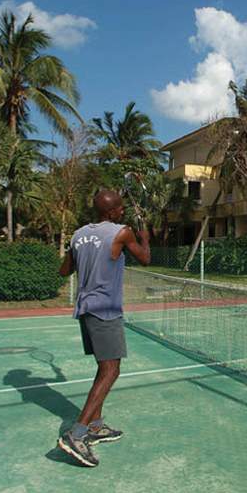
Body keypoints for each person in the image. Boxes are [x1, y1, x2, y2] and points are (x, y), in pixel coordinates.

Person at [56, 190, 150, 467]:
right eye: (119, 208)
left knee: (103, 367)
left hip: (85, 309)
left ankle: (96, 426)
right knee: (111, 370)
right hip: (105, 311)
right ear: (111, 212)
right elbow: (144, 258)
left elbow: (64, 271)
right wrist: (144, 238)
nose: (122, 211)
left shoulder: (78, 235)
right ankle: (78, 433)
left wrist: (80, 254)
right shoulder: (122, 232)